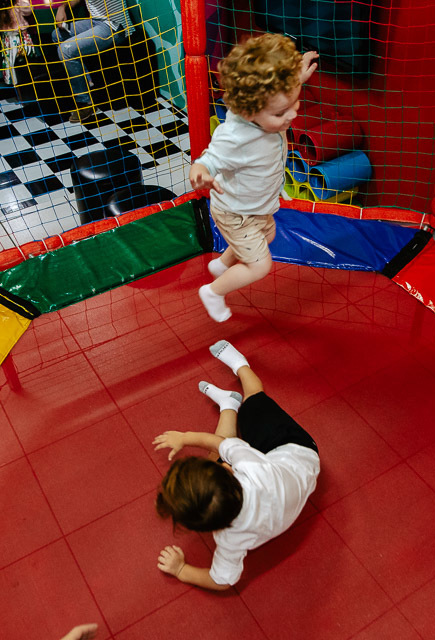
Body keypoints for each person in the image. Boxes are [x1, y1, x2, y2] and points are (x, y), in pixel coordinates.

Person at [153, 340, 320, 590]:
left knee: (220, 450)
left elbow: (222, 581)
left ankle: (231, 397)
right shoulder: (251, 467)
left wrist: (181, 570)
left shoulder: (229, 539)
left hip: (286, 472)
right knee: (254, 401)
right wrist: (186, 437)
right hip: (298, 452)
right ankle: (241, 372)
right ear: (230, 470)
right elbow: (221, 443)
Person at [190, 34, 318, 322]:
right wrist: (200, 172)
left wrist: (297, 75)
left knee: (269, 235)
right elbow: (208, 159)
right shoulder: (236, 135)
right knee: (259, 265)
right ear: (249, 110)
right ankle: (213, 291)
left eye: (294, 104)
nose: (292, 115)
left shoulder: (267, 101)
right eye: (281, 112)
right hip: (236, 213)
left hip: (259, 206)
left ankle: (222, 266)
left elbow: (279, 91)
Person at [52, 0, 134, 123]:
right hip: (96, 21)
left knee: (66, 49)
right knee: (56, 35)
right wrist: (62, 7)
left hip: (115, 26)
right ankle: (87, 80)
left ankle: (85, 102)